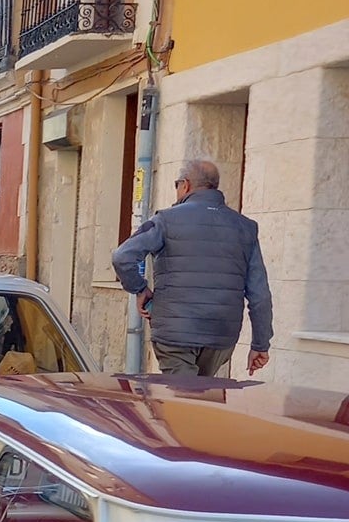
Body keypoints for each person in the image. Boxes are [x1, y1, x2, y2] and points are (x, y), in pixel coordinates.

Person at [111, 156, 273, 377]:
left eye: (177, 185)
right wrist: (260, 344)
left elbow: (122, 256)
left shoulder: (166, 220)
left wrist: (140, 289)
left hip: (175, 334)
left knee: (182, 402)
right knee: (202, 398)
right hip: (220, 335)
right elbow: (260, 294)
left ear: (185, 184)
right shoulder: (245, 227)